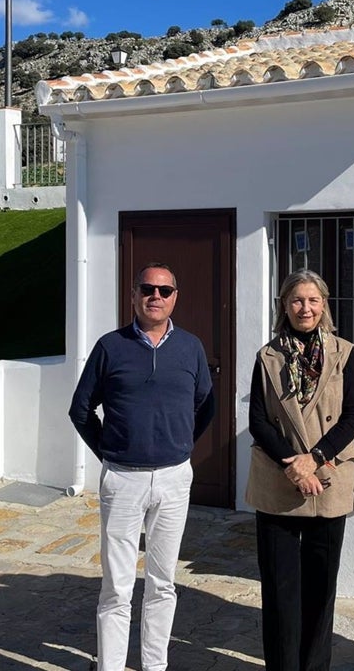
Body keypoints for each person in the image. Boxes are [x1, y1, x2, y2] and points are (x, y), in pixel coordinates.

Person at [69, 262, 214, 671]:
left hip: (173, 479)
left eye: (164, 291)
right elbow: (81, 410)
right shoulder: (109, 347)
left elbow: (206, 406)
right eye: (147, 289)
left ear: (175, 298)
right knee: (116, 586)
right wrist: (111, 451)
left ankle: (154, 665)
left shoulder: (191, 347)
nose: (156, 296)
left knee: (163, 582)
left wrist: (179, 444)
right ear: (133, 295)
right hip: (122, 479)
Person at [245, 269, 354, 671]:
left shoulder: (344, 353)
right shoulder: (268, 356)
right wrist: (293, 466)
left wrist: (314, 459)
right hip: (279, 483)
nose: (305, 308)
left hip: (327, 479)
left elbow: (351, 418)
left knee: (320, 586)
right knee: (279, 589)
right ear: (285, 306)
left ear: (324, 305)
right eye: (297, 300)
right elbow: (258, 421)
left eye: (313, 300)